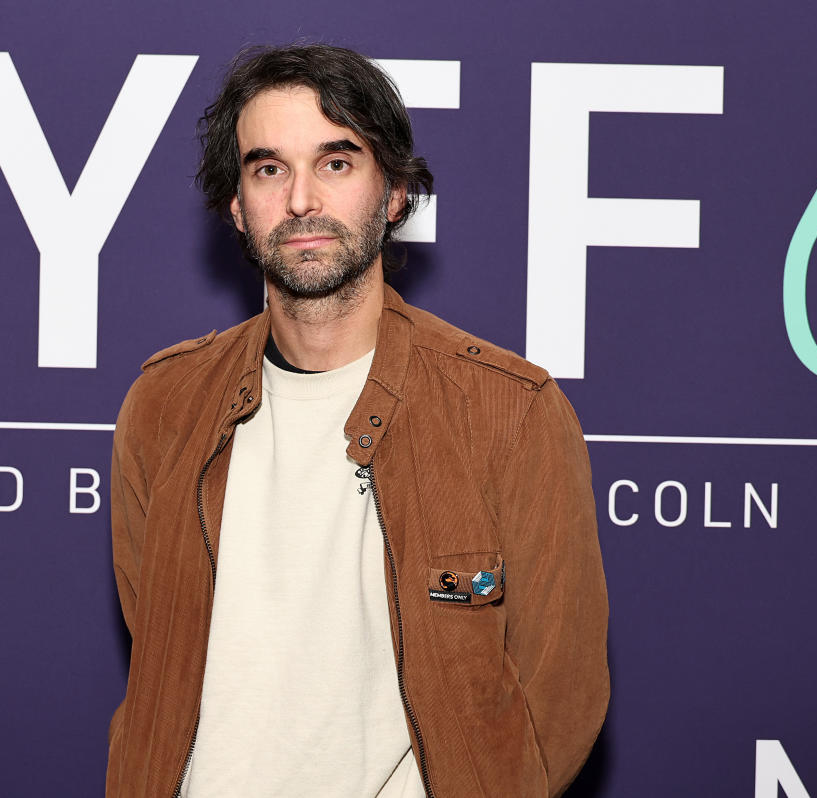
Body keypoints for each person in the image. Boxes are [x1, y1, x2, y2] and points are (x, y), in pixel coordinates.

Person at [105, 43, 608, 798]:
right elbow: (157, 650)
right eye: (269, 168)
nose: (302, 199)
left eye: (336, 163)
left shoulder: (510, 413)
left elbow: (558, 704)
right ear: (236, 206)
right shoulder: (165, 407)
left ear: (394, 193)